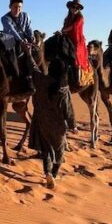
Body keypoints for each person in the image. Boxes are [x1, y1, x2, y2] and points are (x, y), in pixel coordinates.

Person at [27, 54, 75, 189]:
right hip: (58, 126)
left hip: (43, 122)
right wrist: (73, 126)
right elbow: (68, 110)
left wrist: (28, 53)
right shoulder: (64, 90)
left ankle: (47, 172)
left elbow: (33, 68)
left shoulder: (41, 80)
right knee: (59, 152)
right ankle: (54, 173)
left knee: (46, 150)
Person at [1, 0, 36, 91]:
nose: (18, 9)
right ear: (10, 6)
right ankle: (14, 75)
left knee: (35, 51)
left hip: (23, 38)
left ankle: (31, 76)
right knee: (11, 52)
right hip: (9, 38)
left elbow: (28, 27)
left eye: (20, 7)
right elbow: (11, 30)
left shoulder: (25, 15)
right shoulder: (5, 18)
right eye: (15, 7)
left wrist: (31, 37)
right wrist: (21, 41)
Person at [61, 0, 89, 84]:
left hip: (77, 41)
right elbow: (64, 28)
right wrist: (62, 31)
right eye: (74, 7)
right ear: (70, 8)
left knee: (76, 55)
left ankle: (79, 78)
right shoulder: (67, 19)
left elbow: (74, 27)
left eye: (78, 8)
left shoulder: (80, 18)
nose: (75, 9)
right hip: (68, 39)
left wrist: (63, 30)